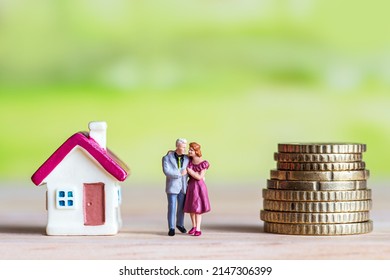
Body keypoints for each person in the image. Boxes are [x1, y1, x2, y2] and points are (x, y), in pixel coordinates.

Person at [162, 138, 189, 236]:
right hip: (172, 187)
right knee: (172, 207)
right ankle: (171, 227)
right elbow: (167, 171)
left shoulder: (187, 158)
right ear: (177, 146)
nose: (184, 149)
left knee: (182, 208)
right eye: (183, 147)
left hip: (183, 187)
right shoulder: (167, 158)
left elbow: (191, 169)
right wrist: (180, 174)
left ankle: (180, 224)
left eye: (185, 147)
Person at [183, 142, 211, 236]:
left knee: (197, 209)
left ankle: (198, 228)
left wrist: (190, 171)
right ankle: (193, 226)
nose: (189, 151)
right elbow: (181, 154)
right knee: (191, 208)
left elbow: (199, 177)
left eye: (191, 150)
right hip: (191, 186)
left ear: (196, 151)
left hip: (199, 187)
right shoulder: (190, 160)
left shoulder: (203, 163)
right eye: (189, 149)